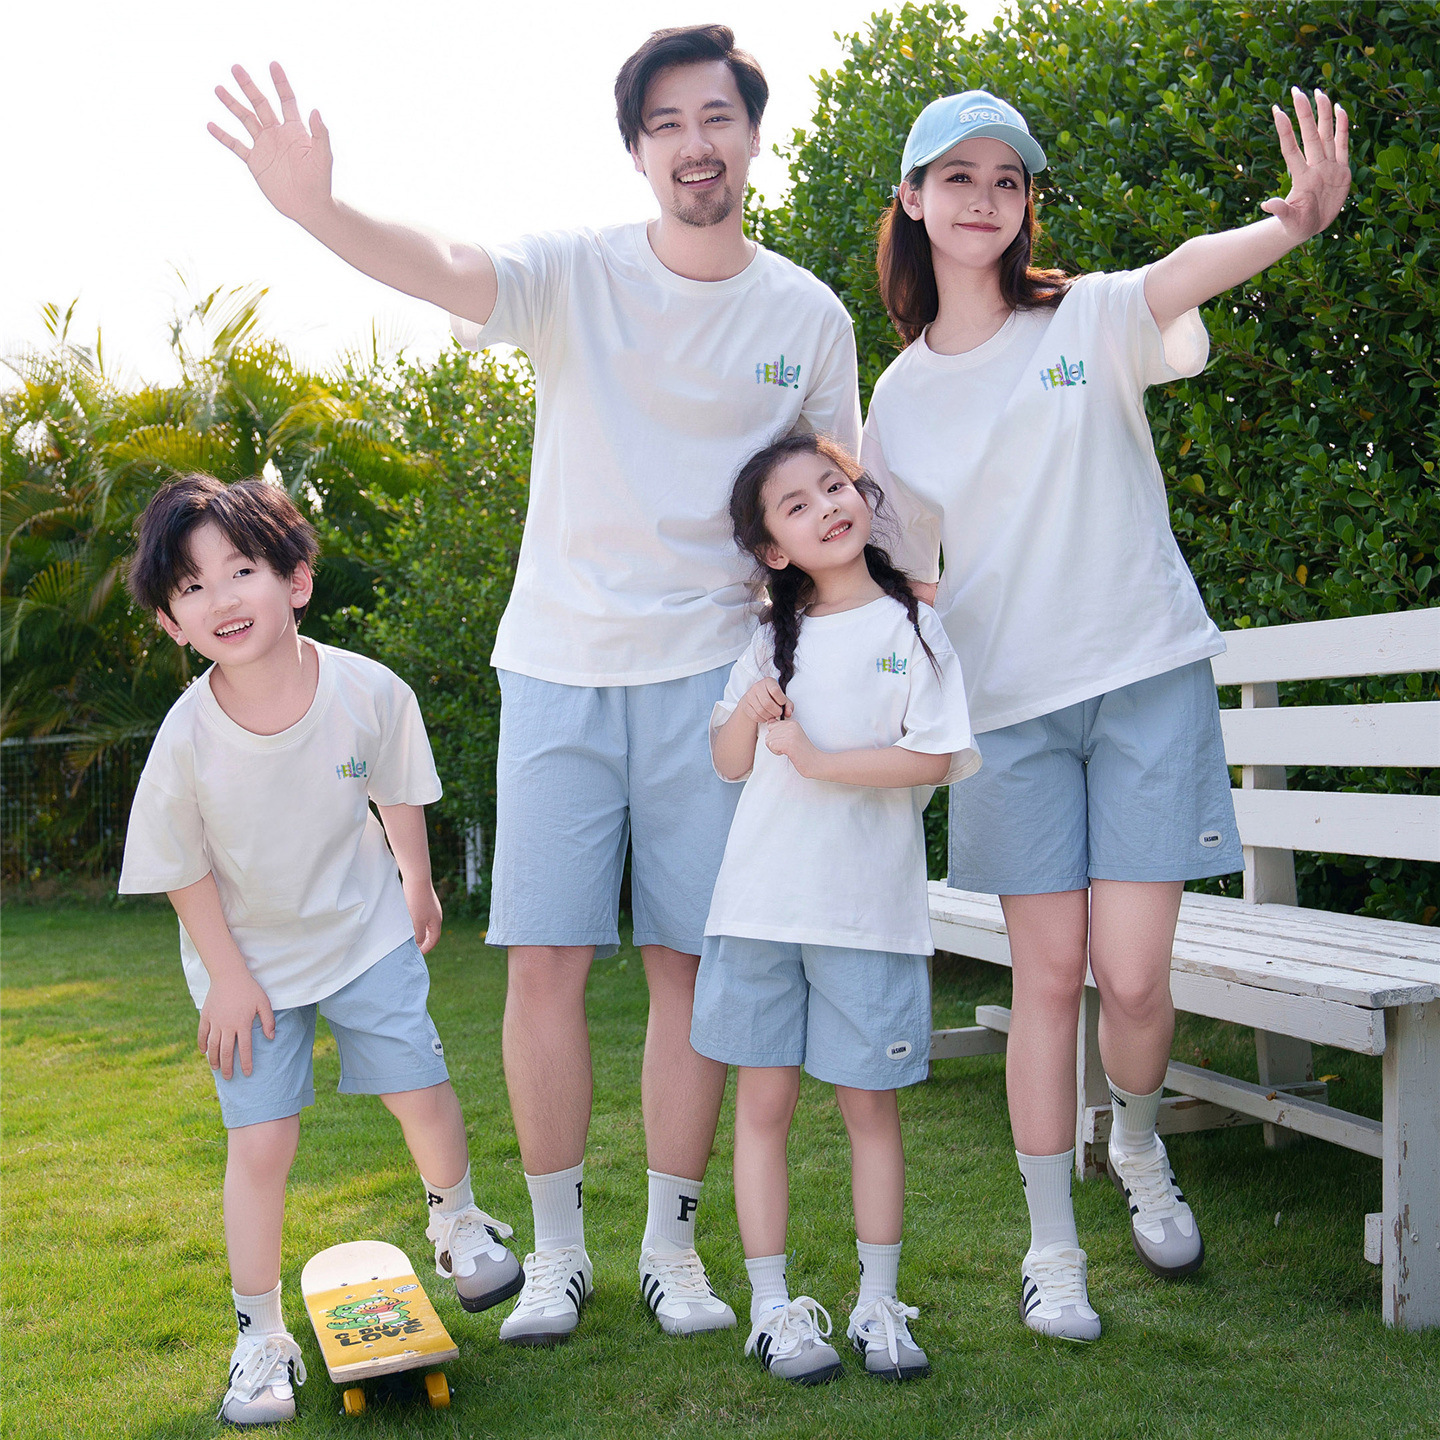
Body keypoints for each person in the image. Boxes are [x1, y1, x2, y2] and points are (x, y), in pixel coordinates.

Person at [207, 26, 860, 1344]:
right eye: (666, 123)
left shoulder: (809, 315)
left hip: (718, 683)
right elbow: (448, 266)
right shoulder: (576, 274)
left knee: (691, 969)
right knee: (546, 963)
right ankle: (558, 1253)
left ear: (751, 133)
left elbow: (840, 502)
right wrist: (318, 208)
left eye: (716, 117)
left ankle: (672, 1247)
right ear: (639, 151)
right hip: (560, 666)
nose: (694, 144)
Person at [861, 88, 1351, 1340]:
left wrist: (1293, 224)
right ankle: (1052, 1248)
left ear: (1027, 203)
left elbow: (1185, 271)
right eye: (957, 176)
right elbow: (898, 579)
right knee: (1048, 978)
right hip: (1010, 718)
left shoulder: (1087, 316)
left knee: (1132, 984)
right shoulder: (897, 401)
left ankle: (1134, 1139)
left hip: (1144, 683)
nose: (984, 197)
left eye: (1008, 179)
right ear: (912, 199)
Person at [118, 475, 520, 1425]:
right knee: (261, 1141)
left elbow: (396, 786)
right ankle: (258, 1337)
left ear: (294, 581)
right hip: (246, 963)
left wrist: (417, 882)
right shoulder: (185, 739)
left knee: (419, 1083)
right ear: (173, 623)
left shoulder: (367, 689)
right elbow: (181, 866)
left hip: (362, 930)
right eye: (191, 587)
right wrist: (226, 978)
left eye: (240, 570)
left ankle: (458, 1221)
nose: (220, 599)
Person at [690, 433, 979, 1383]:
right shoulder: (768, 641)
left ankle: (878, 1305)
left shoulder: (915, 628)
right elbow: (727, 761)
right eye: (798, 506)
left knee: (870, 1111)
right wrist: (750, 712)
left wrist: (819, 760)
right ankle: (772, 1309)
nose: (827, 507)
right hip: (762, 910)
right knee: (763, 1107)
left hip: (869, 915)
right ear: (774, 550)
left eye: (834, 486)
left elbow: (933, 757)